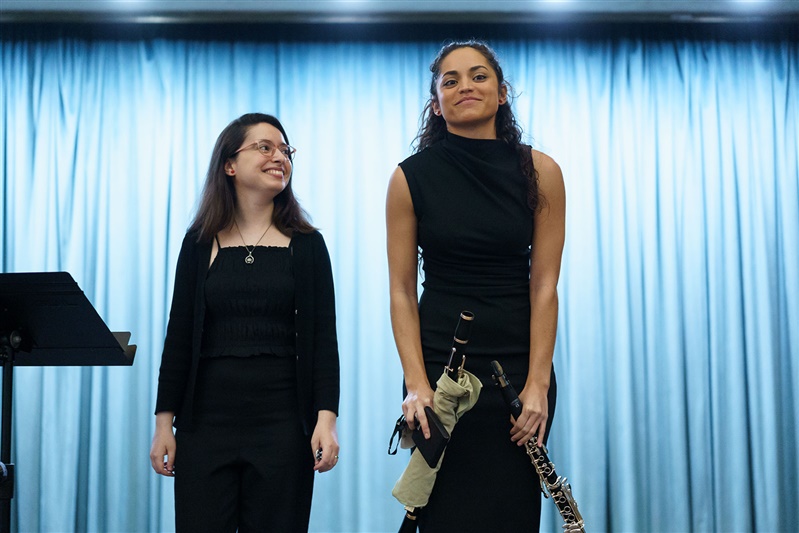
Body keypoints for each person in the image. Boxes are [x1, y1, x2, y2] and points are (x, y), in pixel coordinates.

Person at [386, 40, 565, 531]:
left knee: (512, 512)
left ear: (502, 93)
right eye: (451, 80)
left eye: (479, 75)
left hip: (519, 370)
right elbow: (401, 291)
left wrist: (538, 384)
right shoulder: (409, 178)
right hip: (440, 370)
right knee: (442, 513)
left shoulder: (542, 171)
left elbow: (545, 286)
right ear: (436, 103)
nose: (465, 86)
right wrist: (416, 384)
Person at [149, 113, 340, 532]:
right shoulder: (199, 242)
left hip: (284, 426)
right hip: (205, 426)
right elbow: (178, 337)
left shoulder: (309, 245)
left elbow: (324, 341)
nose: (280, 157)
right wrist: (164, 423)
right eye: (264, 147)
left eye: (285, 150)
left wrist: (326, 419)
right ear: (230, 165)